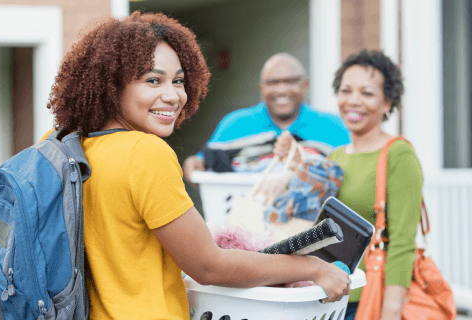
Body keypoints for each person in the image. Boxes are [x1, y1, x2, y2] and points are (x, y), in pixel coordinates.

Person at [45, 12, 350, 320]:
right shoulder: (145, 153)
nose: (173, 95)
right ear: (112, 86)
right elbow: (209, 265)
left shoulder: (68, 145)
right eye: (153, 80)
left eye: (178, 80)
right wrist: (313, 268)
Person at [273, 49, 422, 320]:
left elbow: (402, 242)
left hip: (368, 299)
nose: (353, 101)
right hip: (324, 296)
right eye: (346, 90)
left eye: (367, 93)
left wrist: (390, 311)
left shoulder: (398, 154)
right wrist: (292, 162)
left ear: (388, 103)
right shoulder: (336, 155)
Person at [183, 52, 351, 183]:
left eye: (290, 81)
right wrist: (192, 166)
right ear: (261, 88)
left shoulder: (334, 126)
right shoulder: (235, 124)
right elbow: (201, 164)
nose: (282, 90)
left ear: (305, 86)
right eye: (273, 83)